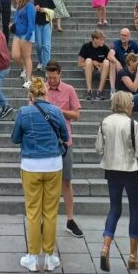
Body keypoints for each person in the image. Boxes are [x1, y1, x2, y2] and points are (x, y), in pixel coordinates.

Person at [11, 77, 69, 273]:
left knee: (33, 211)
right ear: (45, 91)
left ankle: (33, 257)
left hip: (30, 164)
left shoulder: (24, 112)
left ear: (31, 95)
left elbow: (15, 138)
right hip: (53, 163)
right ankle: (50, 257)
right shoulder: (56, 111)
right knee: (50, 212)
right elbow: (66, 137)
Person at [95, 91, 138, 272]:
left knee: (114, 208)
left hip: (111, 169)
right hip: (131, 170)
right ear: (127, 104)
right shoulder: (133, 124)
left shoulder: (105, 122)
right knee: (135, 209)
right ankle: (133, 255)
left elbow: (98, 148)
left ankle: (105, 247)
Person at [44, 61, 83, 239]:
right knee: (46, 183)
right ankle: (45, 220)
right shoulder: (41, 89)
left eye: (54, 77)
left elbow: (76, 115)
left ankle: (70, 219)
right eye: (49, 77)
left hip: (64, 142)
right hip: (45, 142)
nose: (51, 81)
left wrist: (59, 111)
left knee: (66, 182)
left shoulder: (69, 89)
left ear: (60, 74)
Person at [78, 30, 111, 101]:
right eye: (101, 40)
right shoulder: (86, 46)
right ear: (95, 39)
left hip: (101, 71)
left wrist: (98, 64)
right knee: (88, 60)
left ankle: (99, 91)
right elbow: (80, 64)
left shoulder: (104, 48)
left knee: (106, 62)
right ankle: (89, 91)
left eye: (103, 39)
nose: (103, 41)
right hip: (90, 70)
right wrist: (91, 63)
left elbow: (110, 62)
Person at [32, 0, 55, 71]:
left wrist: (44, 9)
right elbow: (29, 12)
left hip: (46, 24)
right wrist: (34, 9)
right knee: (38, 45)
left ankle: (46, 66)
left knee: (46, 45)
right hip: (36, 24)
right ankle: (41, 61)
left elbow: (53, 12)